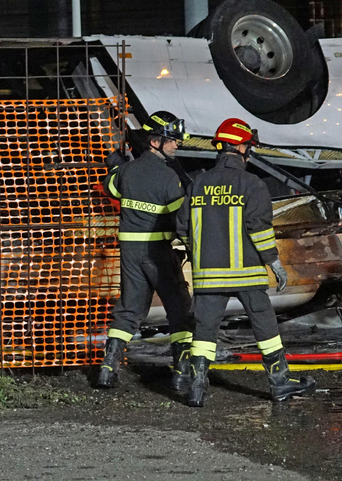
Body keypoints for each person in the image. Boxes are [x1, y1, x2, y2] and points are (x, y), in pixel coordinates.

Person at [175, 118, 315, 408]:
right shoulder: (251, 184)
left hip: (208, 275)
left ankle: (197, 387)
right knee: (264, 324)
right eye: (247, 146)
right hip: (246, 272)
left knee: (204, 330)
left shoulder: (198, 183)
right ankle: (279, 382)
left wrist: (202, 250)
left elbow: (182, 225)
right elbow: (259, 227)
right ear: (240, 146)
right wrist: (273, 262)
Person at [97, 110, 195, 391]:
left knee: (129, 309)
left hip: (129, 250)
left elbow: (112, 188)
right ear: (155, 142)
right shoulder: (168, 178)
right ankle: (182, 370)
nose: (177, 144)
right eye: (171, 140)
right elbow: (182, 220)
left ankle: (107, 369)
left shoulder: (127, 171)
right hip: (158, 252)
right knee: (178, 307)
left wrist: (116, 165)